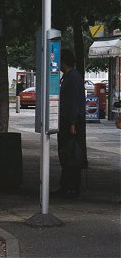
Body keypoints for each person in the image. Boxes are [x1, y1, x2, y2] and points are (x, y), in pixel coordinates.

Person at [56, 48, 86, 199]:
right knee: (68, 154)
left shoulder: (72, 78)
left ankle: (70, 187)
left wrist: (72, 124)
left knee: (70, 154)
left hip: (70, 121)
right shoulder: (70, 77)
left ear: (64, 61)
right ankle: (67, 186)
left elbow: (73, 102)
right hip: (69, 120)